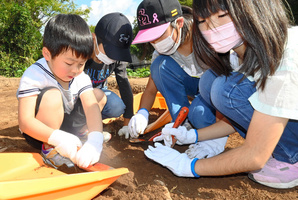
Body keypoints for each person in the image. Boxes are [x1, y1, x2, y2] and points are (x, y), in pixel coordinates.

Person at [144, 0, 298, 189]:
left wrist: (187, 166)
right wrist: (192, 135)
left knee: (225, 89)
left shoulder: (286, 56)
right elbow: (251, 115)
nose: (211, 28)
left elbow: (255, 156)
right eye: (202, 21)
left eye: (222, 15)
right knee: (212, 81)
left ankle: (292, 158)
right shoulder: (236, 56)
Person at [127, 0, 227, 155]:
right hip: (196, 85)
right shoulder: (161, 52)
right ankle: (182, 122)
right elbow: (150, 90)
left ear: (179, 23)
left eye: (159, 35)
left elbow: (226, 79)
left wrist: (217, 137)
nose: (155, 43)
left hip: (217, 86)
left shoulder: (205, 34)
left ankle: (213, 132)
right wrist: (142, 113)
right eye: (150, 38)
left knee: (199, 115)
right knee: (159, 66)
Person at [17, 14, 106, 169]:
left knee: (98, 96)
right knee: (52, 96)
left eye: (81, 64)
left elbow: (91, 106)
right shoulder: (35, 75)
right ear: (47, 54)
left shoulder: (80, 76)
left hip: (66, 127)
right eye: (69, 63)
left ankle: (79, 137)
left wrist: (95, 140)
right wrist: (57, 138)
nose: (75, 70)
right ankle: (49, 149)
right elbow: (25, 122)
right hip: (41, 133)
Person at [84, 12, 134, 138]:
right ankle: (81, 127)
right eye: (109, 51)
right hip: (77, 94)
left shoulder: (118, 58)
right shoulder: (82, 51)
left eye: (116, 53)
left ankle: (92, 123)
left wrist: (127, 124)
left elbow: (124, 85)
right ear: (94, 38)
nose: (112, 57)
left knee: (116, 106)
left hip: (99, 94)